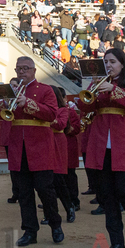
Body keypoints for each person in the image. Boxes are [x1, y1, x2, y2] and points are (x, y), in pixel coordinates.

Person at [76, 47, 125, 248]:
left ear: (122, 64)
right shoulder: (97, 84)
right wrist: (93, 92)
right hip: (101, 143)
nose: (108, 65)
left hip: (124, 143)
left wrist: (115, 91)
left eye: (112, 62)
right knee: (107, 196)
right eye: (106, 62)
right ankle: (117, 244)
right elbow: (84, 106)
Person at [0, 56, 63, 246]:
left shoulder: (46, 90)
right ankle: (30, 231)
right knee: (24, 193)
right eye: (19, 68)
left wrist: (27, 103)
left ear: (34, 71)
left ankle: (55, 224)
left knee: (45, 190)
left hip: (40, 147)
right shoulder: (11, 91)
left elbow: (51, 113)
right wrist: (4, 103)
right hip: (19, 147)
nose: (21, 72)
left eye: (25, 68)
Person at [48, 86, 78, 224]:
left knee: (58, 180)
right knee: (46, 182)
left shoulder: (63, 109)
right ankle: (51, 214)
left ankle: (69, 207)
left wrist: (45, 117)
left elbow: (60, 125)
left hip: (58, 143)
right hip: (46, 142)